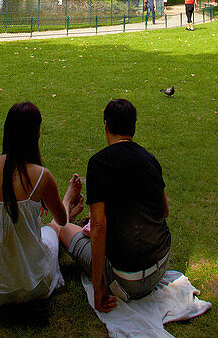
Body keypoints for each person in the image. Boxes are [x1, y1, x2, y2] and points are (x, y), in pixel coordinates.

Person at [0, 101, 84, 306]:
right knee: (53, 228)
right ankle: (64, 205)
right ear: (37, 134)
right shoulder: (42, 176)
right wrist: (67, 197)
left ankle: (47, 212)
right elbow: (62, 221)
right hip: (32, 287)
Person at [52, 99, 171, 313]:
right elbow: (165, 211)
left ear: (106, 126)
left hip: (126, 280)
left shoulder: (99, 164)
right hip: (161, 265)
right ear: (133, 127)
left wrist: (98, 286)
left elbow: (99, 227)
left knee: (61, 228)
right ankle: (75, 216)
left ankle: (67, 209)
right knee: (93, 224)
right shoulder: (150, 159)